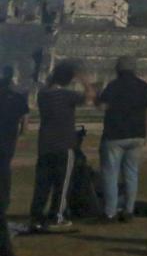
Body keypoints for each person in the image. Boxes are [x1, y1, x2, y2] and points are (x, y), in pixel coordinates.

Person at [28, 62, 90, 232]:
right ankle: (57, 216)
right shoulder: (68, 95)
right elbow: (89, 97)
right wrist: (85, 81)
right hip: (64, 145)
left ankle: (36, 217)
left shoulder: (43, 95)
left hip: (45, 145)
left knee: (42, 185)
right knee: (62, 185)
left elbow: (50, 86)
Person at [96, 57, 147, 224]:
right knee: (131, 174)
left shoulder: (113, 86)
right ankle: (129, 210)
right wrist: (146, 133)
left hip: (115, 135)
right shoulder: (144, 87)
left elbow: (102, 107)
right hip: (137, 135)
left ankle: (110, 212)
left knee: (110, 175)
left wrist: (96, 97)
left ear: (118, 70)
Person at [0, 69, 28, 220]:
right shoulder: (17, 97)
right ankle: (4, 202)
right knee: (4, 170)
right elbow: (24, 120)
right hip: (8, 139)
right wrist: (22, 133)